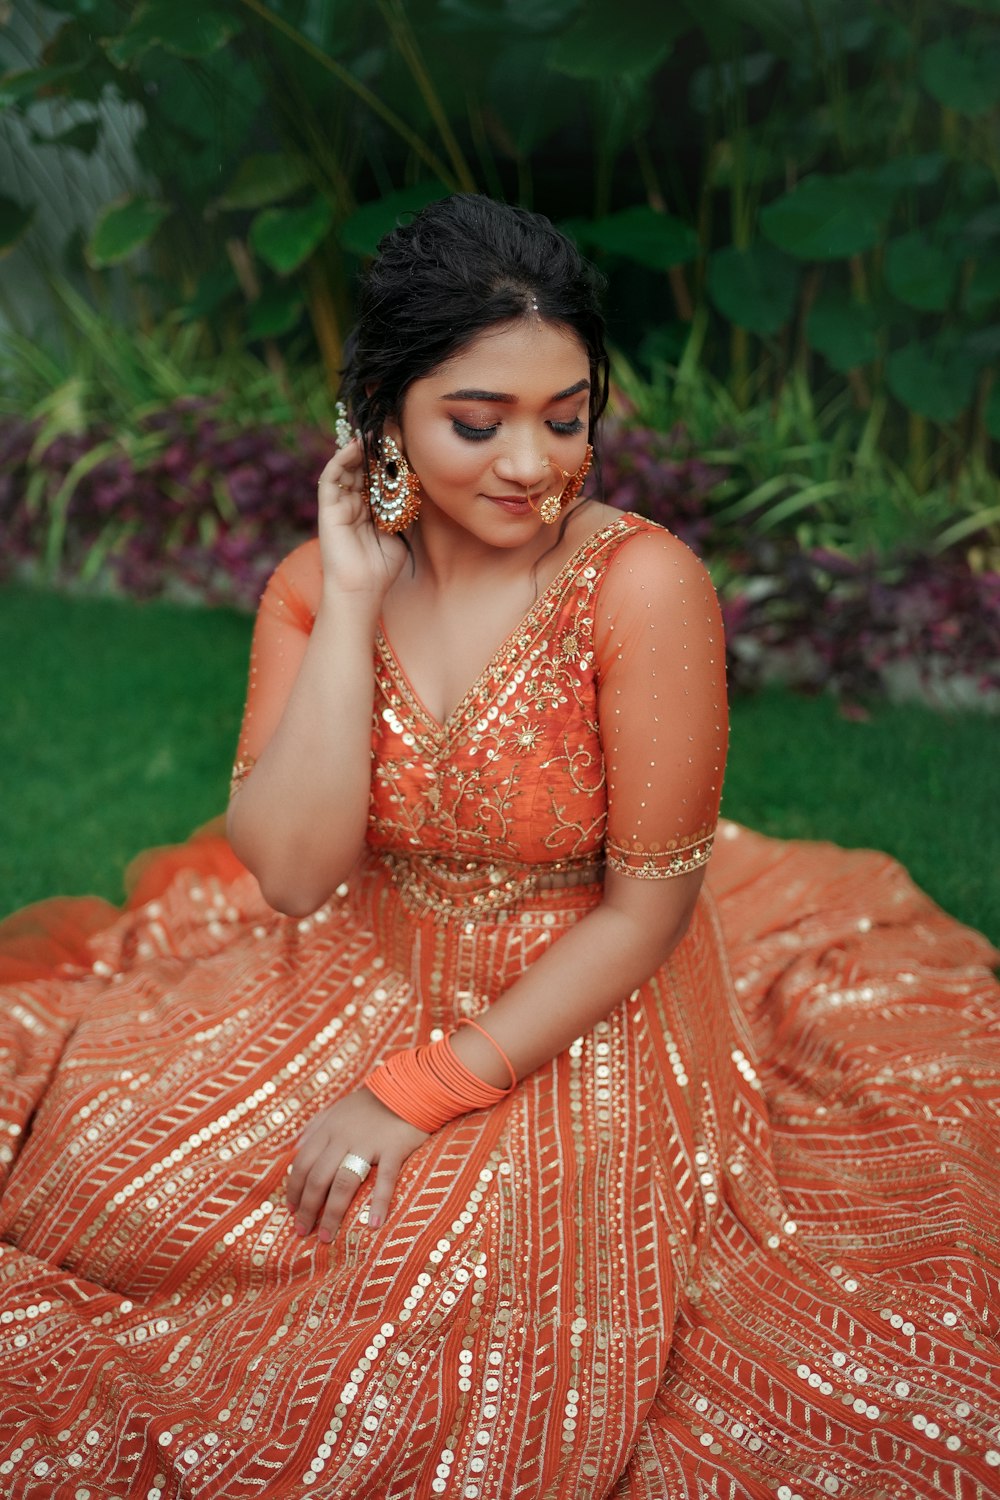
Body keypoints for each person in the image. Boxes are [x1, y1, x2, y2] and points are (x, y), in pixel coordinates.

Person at [0, 195, 997, 1500]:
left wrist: (416, 1093)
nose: (532, 465)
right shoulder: (314, 584)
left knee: (429, 1290)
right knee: (121, 1187)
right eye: (478, 423)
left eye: (566, 417)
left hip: (584, 1014)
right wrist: (356, 595)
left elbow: (648, 917)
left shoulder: (641, 588)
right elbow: (295, 875)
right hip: (356, 966)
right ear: (383, 420)